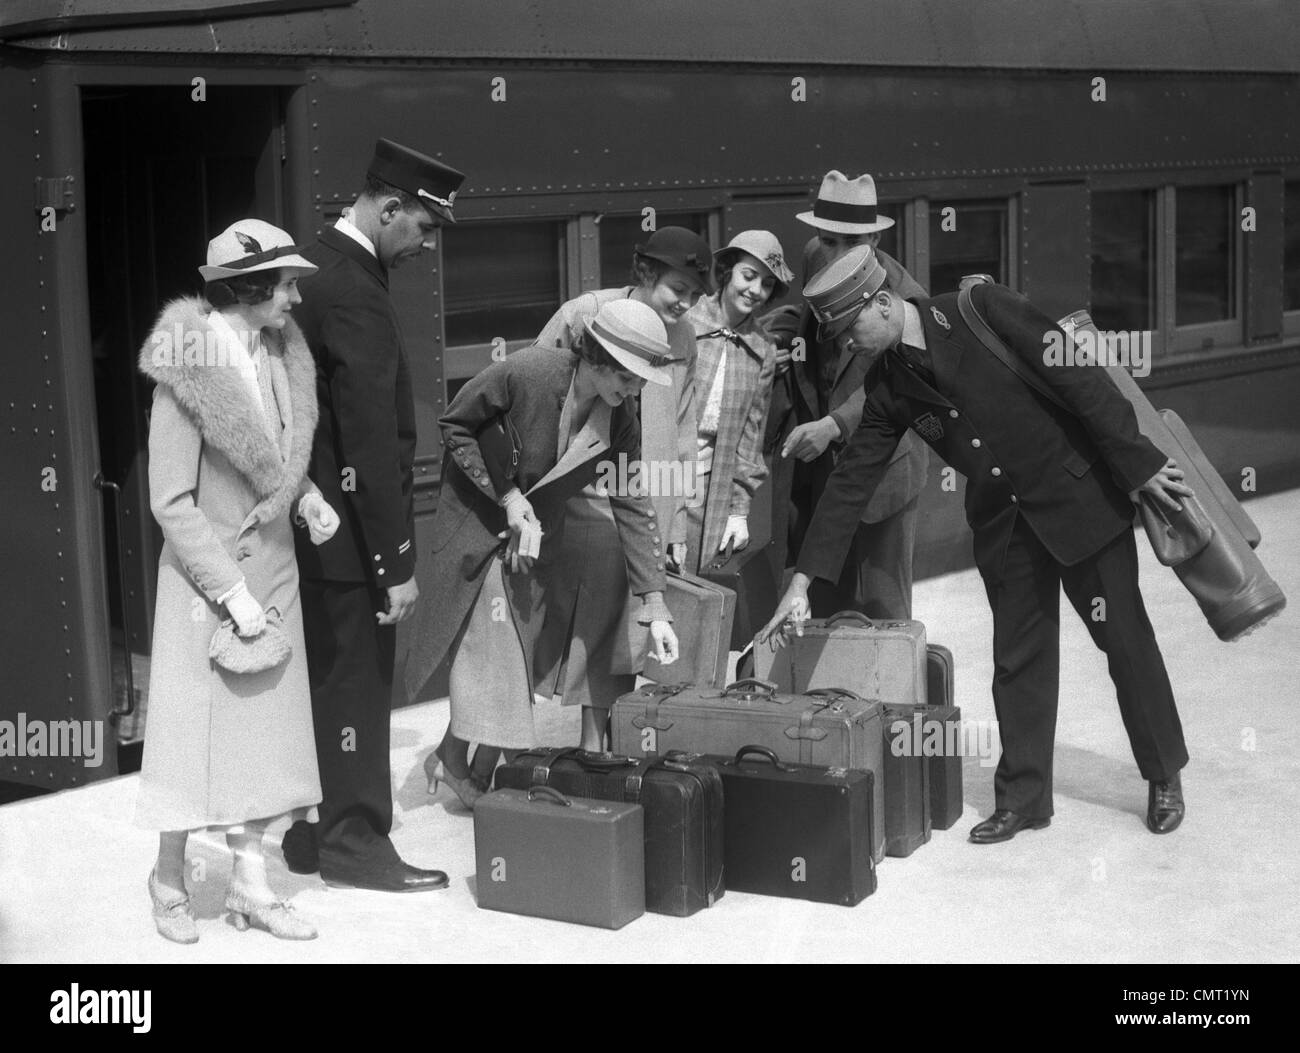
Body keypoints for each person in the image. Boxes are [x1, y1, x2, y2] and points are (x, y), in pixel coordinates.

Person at [759, 245, 1191, 842]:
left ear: (883, 303)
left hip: (1079, 503)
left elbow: (1080, 377)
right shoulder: (888, 386)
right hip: (1006, 528)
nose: (845, 343)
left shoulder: (980, 308)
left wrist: (1138, 464)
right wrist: (802, 582)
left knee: (1125, 642)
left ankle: (1164, 773)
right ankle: (1023, 799)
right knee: (1019, 660)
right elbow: (850, 483)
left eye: (849, 326)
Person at [135, 219, 336, 943]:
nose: (296, 299)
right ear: (250, 288)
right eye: (286, 284)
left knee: (262, 740)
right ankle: (167, 880)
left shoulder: (277, 351)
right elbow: (170, 501)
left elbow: (274, 457)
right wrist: (231, 591)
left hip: (274, 569)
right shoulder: (186, 370)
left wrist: (307, 497)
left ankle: (250, 887)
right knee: (191, 745)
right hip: (206, 584)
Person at [403, 300, 680, 805]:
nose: (636, 389)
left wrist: (655, 604)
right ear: (598, 359)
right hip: (481, 521)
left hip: (531, 536)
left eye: (641, 381)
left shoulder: (620, 419)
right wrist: (506, 497)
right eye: (631, 376)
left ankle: (463, 761)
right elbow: (456, 423)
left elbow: (633, 501)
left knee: (516, 656)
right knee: (500, 652)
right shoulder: (531, 370)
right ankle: (467, 766)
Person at [286, 138, 464, 893]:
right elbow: (365, 434)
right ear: (388, 208)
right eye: (422, 228)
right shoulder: (355, 289)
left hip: (311, 523)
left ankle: (319, 829)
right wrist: (395, 564)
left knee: (326, 683)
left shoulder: (312, 265)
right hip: (352, 539)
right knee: (356, 686)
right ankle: (355, 839)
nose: (425, 246)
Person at [529, 226, 713, 752]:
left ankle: (595, 750)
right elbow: (537, 395)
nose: (687, 303)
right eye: (680, 288)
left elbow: (683, 429)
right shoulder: (584, 312)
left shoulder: (685, 337)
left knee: (625, 638)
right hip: (578, 503)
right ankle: (481, 748)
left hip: (640, 503)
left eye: (698, 295)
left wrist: (675, 522)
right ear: (645, 273)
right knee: (541, 629)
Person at [762, 170, 929, 618]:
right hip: (823, 472)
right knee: (825, 602)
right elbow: (809, 313)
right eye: (825, 237)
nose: (830, 251)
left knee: (884, 609)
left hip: (886, 474)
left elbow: (906, 378)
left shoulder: (904, 295)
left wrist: (835, 425)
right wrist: (774, 334)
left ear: (873, 239)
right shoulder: (817, 254)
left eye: (845, 242)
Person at [681, 230, 789, 572]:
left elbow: (750, 439)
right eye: (749, 275)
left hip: (711, 488)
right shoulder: (684, 320)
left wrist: (739, 511)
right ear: (727, 271)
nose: (755, 290)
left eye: (768, 284)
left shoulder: (762, 348)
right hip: (658, 478)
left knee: (695, 592)